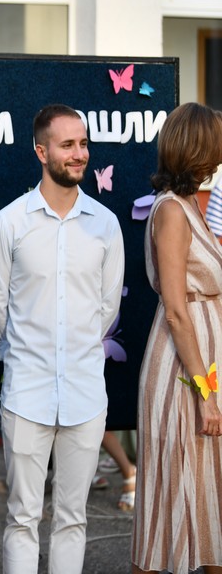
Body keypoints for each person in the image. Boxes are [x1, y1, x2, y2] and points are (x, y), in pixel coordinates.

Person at [0, 104, 125, 574]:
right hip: (27, 394)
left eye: (83, 143)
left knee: (73, 518)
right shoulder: (10, 223)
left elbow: (107, 310)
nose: (79, 153)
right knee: (22, 517)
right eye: (67, 145)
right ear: (41, 152)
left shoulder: (105, 224)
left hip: (86, 394)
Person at [131, 102, 222, 574]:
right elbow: (176, 309)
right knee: (171, 490)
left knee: (207, 489)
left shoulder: (189, 206)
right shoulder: (171, 211)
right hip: (182, 370)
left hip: (201, 364)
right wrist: (205, 393)